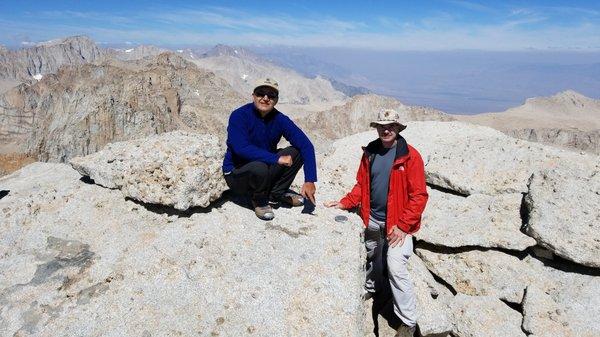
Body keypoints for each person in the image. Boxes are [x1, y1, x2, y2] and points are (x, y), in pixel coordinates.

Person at [324, 109, 428, 337]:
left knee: (396, 265)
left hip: (398, 226)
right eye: (381, 125)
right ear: (376, 128)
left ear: (398, 128)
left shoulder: (411, 156)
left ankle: (408, 321)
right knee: (372, 255)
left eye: (391, 125)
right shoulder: (370, 152)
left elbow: (419, 196)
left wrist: (403, 226)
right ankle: (374, 289)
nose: (386, 129)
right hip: (372, 219)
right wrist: (344, 203)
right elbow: (362, 185)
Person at [223, 78, 317, 220]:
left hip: (263, 170)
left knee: (296, 152)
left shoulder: (279, 119)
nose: (265, 98)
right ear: (253, 96)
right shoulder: (239, 115)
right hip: (237, 174)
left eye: (271, 95)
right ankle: (259, 200)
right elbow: (240, 148)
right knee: (259, 167)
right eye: (261, 93)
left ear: (276, 100)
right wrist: (276, 158)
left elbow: (306, 145)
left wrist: (310, 179)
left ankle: (275, 194)